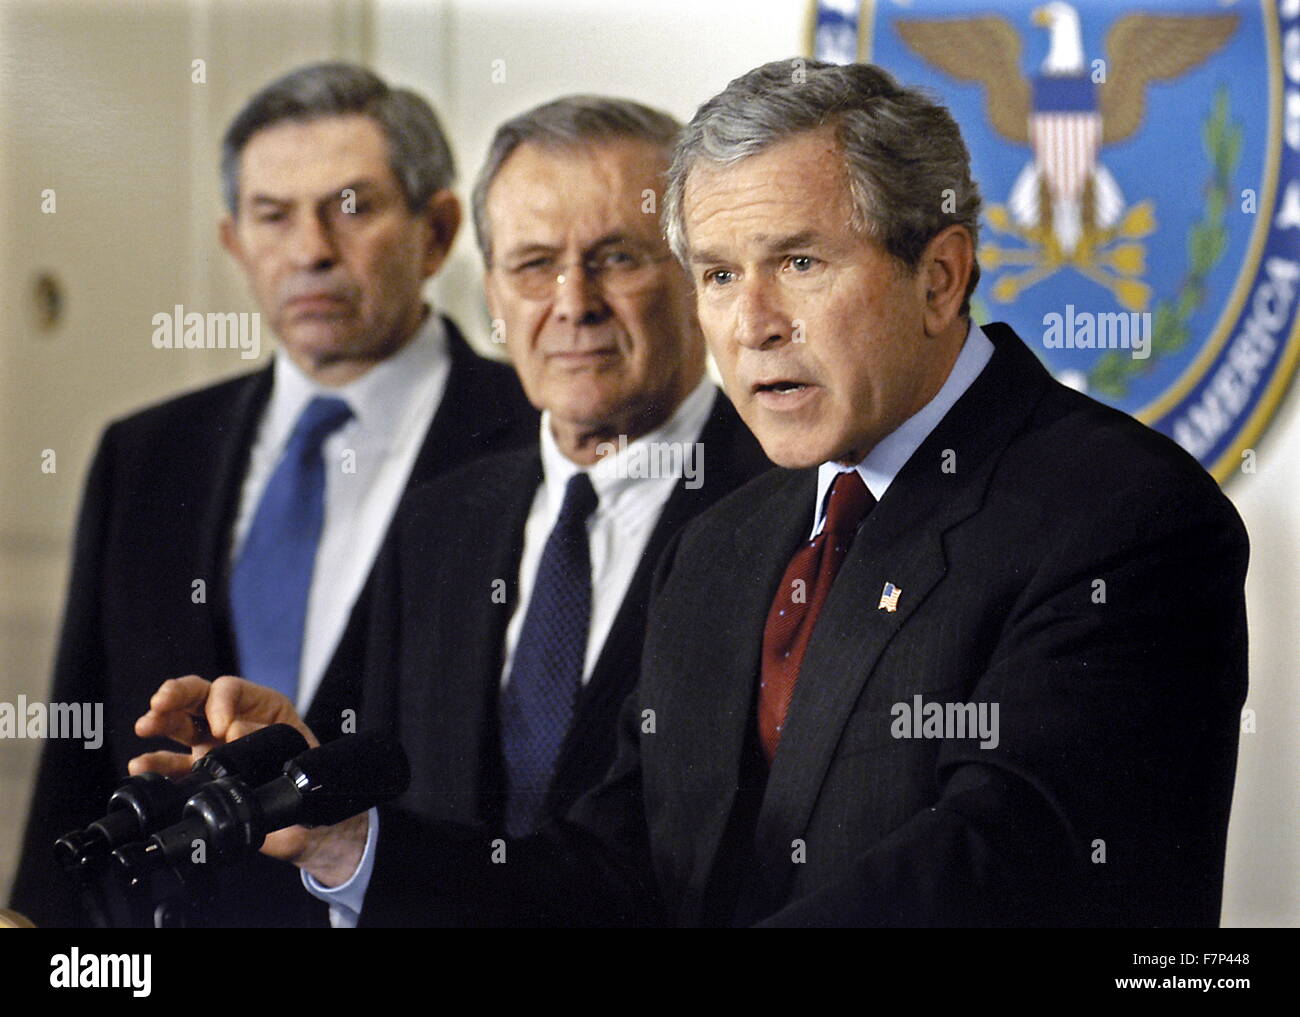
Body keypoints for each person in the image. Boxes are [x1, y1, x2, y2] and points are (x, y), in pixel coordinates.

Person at [137, 59, 1249, 927]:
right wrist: (342, 834)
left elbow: (991, 881)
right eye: (717, 274)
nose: (750, 321)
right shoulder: (730, 542)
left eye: (800, 263)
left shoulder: (1120, 517)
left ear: (940, 274)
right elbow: (622, 881)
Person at [135, 95, 770, 927]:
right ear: (495, 296)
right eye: (534, 264)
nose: (573, 302)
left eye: (617, 257)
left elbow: (669, 871)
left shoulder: (788, 510)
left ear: (700, 276)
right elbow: (426, 820)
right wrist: (317, 785)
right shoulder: (440, 521)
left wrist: (355, 842)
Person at [10, 62, 536, 928]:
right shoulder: (145, 452)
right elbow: (79, 747)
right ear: (233, 243)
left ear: (438, 231)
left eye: (353, 206)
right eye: (272, 215)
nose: (311, 249)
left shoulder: (535, 433)